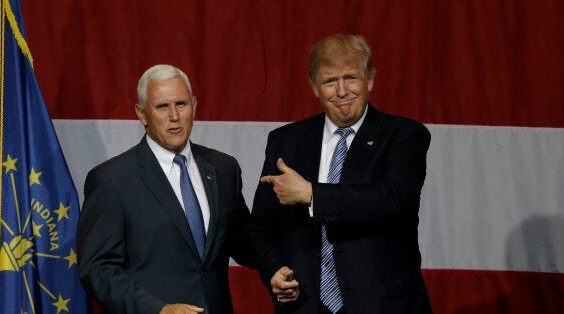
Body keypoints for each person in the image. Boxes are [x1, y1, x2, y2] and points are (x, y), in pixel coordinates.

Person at [249, 34, 433, 313]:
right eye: (329, 81)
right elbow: (262, 224)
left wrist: (312, 195)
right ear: (314, 87)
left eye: (351, 77)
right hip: (305, 303)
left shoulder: (403, 135)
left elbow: (393, 199)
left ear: (369, 79)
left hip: (383, 305)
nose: (342, 90)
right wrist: (273, 270)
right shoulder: (285, 141)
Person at [77, 64, 254, 314]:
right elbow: (96, 269)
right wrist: (158, 310)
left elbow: (245, 243)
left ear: (194, 105)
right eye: (162, 106)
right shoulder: (111, 181)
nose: (174, 116)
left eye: (181, 104)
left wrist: (279, 261)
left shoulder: (223, 168)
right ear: (141, 114)